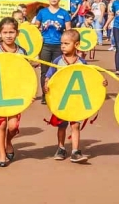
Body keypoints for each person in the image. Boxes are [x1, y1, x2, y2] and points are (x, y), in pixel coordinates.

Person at [44, 29, 104, 163]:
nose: (63, 46)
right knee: (62, 125)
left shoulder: (82, 63)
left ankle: (75, 151)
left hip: (76, 100)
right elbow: (48, 76)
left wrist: (101, 83)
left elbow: (89, 78)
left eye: (66, 43)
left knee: (75, 125)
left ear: (76, 45)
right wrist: (46, 84)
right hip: (61, 99)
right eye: (62, 43)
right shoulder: (58, 60)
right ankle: (61, 147)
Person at [0, 18, 28, 167]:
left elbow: (27, 74)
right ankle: (1, 154)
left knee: (12, 126)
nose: (8, 35)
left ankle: (8, 141)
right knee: (1, 125)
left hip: (15, 93)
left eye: (11, 32)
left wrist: (28, 93)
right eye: (5, 32)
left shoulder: (22, 51)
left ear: (17, 33)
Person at [34, 0, 72, 102]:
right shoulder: (42, 12)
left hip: (59, 47)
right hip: (45, 46)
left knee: (57, 71)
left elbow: (69, 31)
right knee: (44, 71)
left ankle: (56, 94)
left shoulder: (64, 13)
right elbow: (35, 29)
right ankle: (45, 95)